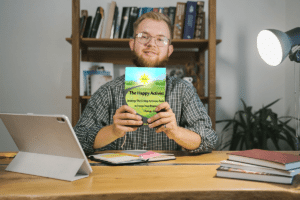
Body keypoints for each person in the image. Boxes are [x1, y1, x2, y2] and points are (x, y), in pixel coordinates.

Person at [74, 12, 218, 154]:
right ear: (132, 44)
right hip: (119, 175)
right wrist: (113, 131)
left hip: (169, 175)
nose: (151, 44)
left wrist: (175, 131)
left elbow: (210, 140)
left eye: (160, 39)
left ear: (169, 50)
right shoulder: (108, 91)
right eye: (144, 37)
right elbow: (78, 139)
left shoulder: (184, 90)